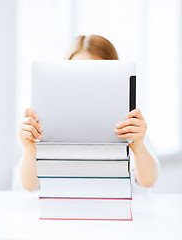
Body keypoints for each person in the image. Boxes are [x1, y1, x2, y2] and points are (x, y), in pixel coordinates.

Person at [18, 35, 159, 191]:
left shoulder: (129, 125)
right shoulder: (47, 123)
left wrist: (138, 147)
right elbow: (30, 186)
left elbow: (148, 181)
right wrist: (29, 149)